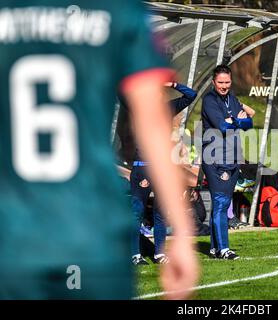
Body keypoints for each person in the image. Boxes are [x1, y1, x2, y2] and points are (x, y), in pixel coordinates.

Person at [0, 0, 198, 299]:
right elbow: (152, 124)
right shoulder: (117, 11)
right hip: (91, 224)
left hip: (14, 229)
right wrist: (182, 232)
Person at [127, 82, 197, 265]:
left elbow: (191, 95)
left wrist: (173, 84)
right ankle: (135, 254)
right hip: (142, 166)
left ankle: (158, 254)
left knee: (160, 212)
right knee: (137, 212)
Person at [202, 64, 253, 260]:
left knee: (222, 203)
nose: (224, 86)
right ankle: (224, 249)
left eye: (227, 82)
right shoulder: (209, 100)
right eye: (220, 82)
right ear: (214, 82)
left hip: (232, 158)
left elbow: (249, 124)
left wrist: (236, 120)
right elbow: (222, 126)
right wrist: (236, 120)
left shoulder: (232, 98)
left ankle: (215, 248)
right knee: (221, 203)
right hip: (216, 158)